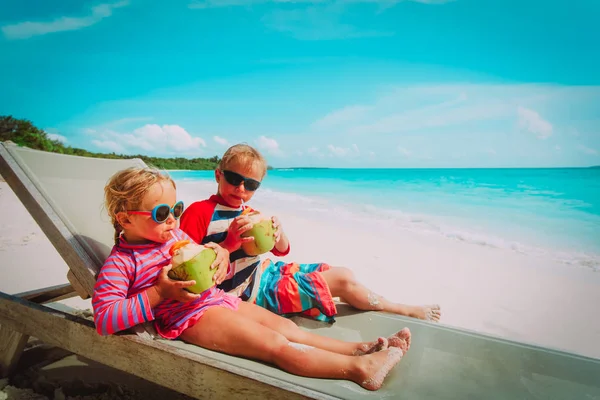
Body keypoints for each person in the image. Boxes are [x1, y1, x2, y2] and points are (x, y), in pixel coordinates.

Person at [92, 166, 411, 391]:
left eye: (176, 207)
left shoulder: (174, 233)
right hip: (188, 318)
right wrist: (159, 293)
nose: (174, 218)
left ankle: (355, 349)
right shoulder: (121, 264)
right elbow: (105, 319)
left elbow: (204, 258)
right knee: (276, 345)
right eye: (161, 213)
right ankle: (360, 370)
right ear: (126, 220)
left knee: (287, 327)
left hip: (218, 299)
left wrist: (216, 255)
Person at [179, 144, 441, 324]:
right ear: (218, 174)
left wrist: (278, 231)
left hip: (265, 271)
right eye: (234, 179)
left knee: (342, 271)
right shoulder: (200, 212)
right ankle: (402, 309)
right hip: (248, 292)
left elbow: (282, 249)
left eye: (250, 184)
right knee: (341, 280)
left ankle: (378, 302)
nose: (240, 189)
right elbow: (190, 269)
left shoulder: (249, 212)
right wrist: (229, 243)